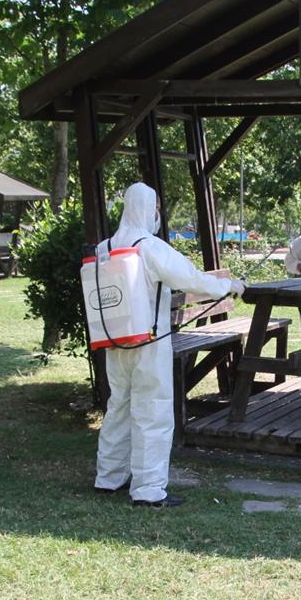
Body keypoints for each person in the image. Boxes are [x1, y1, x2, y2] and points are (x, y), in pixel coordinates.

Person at [94, 182, 246, 508]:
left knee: (118, 407)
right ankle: (148, 490)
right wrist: (229, 286)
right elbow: (191, 279)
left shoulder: (104, 247)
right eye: (157, 208)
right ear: (150, 209)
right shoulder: (150, 246)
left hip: (115, 341)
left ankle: (108, 478)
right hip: (150, 342)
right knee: (153, 411)